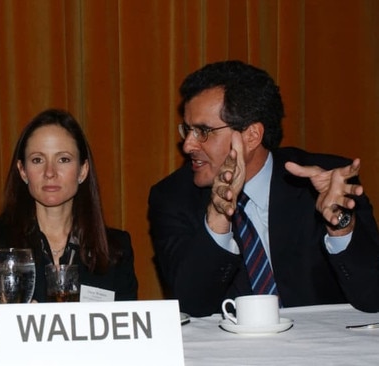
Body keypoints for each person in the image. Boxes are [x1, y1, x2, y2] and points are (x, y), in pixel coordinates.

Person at [148, 60, 379, 317]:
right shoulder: (172, 197)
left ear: (252, 136)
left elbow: (372, 297)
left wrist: (341, 224)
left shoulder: (324, 182)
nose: (188, 145)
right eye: (187, 130)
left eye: (203, 131)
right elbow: (192, 305)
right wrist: (217, 219)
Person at [0, 108, 138, 316]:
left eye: (63, 159)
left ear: (83, 170)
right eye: (37, 160)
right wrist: (8, 315)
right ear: (22, 171)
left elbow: (129, 320)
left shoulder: (115, 248)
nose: (50, 173)